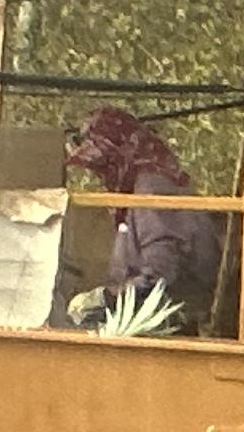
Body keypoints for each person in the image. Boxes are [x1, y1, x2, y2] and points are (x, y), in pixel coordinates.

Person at [66, 106, 224, 333]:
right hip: (156, 319)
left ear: (119, 158)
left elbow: (161, 274)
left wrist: (105, 298)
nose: (100, 177)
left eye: (104, 167)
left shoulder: (151, 190)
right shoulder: (139, 191)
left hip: (169, 327)